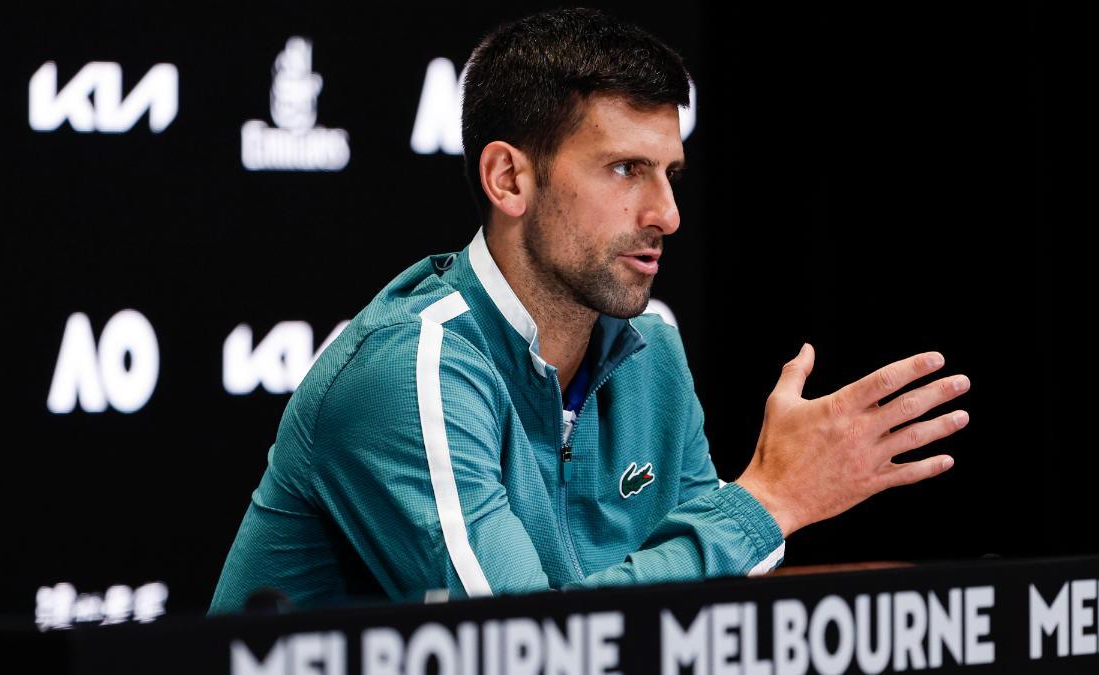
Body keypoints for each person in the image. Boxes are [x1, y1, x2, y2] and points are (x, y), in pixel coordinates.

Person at [208, 7, 970, 614]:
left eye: (670, 172)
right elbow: (521, 645)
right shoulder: (411, 366)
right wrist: (770, 499)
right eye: (625, 169)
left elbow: (705, 613)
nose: (668, 213)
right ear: (509, 178)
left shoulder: (654, 351)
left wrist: (764, 511)